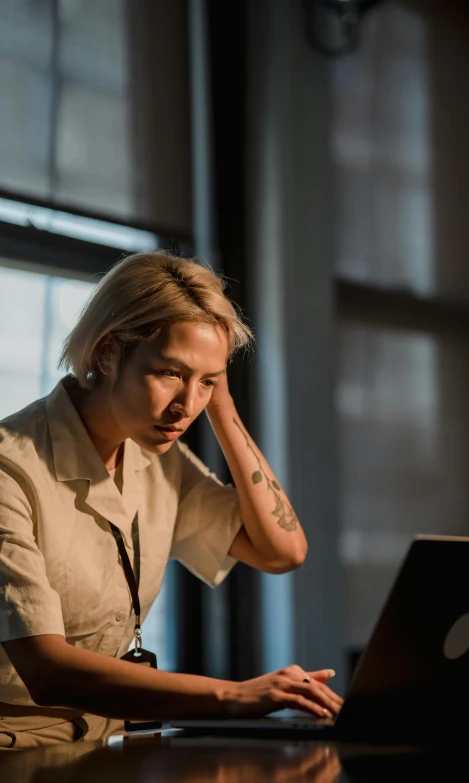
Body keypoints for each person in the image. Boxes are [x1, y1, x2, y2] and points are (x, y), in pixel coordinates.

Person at [0, 251, 342, 748]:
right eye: (170, 373)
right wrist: (236, 696)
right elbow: (49, 672)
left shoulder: (160, 457)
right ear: (108, 352)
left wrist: (222, 409)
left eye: (206, 381)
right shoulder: (10, 468)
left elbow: (281, 551)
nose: (186, 407)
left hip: (101, 744)